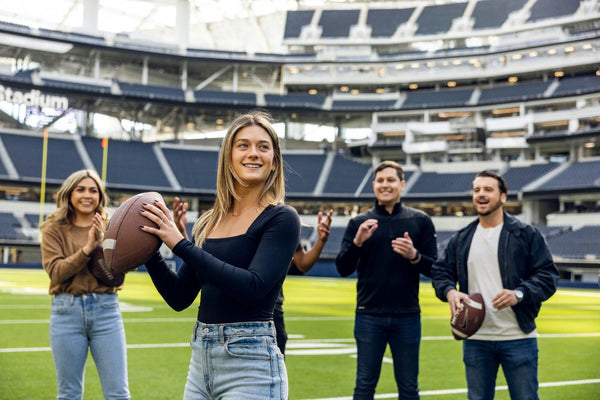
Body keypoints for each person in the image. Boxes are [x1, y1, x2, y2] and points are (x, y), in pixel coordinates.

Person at [140, 111, 300, 400]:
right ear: (228, 156)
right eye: (243, 145)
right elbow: (179, 297)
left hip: (252, 364)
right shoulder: (209, 221)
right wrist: (150, 251)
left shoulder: (282, 218)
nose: (254, 153)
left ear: (274, 161)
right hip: (201, 359)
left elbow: (253, 287)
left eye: (263, 147)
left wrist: (181, 245)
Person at [431, 170, 559, 400]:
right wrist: (450, 291)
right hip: (476, 340)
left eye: (488, 189)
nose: (481, 194)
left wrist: (519, 294)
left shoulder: (526, 234)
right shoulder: (462, 238)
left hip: (518, 338)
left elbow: (548, 276)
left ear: (503, 197)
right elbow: (440, 271)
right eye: (476, 189)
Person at [335, 160, 438, 400]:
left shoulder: (420, 221)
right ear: (373, 185)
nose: (385, 185)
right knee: (364, 386)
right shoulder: (358, 223)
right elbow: (343, 268)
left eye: (391, 180)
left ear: (401, 184)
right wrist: (357, 243)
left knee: (409, 387)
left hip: (408, 316)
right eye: (380, 181)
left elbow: (435, 269)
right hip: (369, 314)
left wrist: (414, 256)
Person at [40, 169, 130, 400]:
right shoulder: (53, 229)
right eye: (80, 189)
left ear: (100, 196)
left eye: (93, 190)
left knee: (118, 394)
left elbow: (120, 273)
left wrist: (104, 245)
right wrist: (87, 249)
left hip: (106, 311)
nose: (87, 195)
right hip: (66, 311)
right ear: (69, 193)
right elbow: (56, 273)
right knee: (68, 394)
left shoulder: (112, 226)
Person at [275, 209, 333, 354]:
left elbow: (302, 263)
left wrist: (321, 240)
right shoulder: (227, 217)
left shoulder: (280, 219)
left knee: (275, 373)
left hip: (271, 311)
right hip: (233, 308)